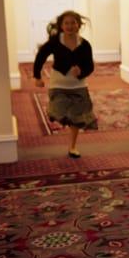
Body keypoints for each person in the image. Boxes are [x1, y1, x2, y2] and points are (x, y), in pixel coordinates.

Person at [33, 10, 97, 158]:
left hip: (78, 86)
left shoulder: (85, 44)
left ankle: (72, 147)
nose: (70, 26)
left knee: (77, 118)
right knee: (58, 112)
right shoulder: (55, 41)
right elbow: (41, 56)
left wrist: (81, 71)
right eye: (66, 23)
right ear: (61, 26)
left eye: (73, 23)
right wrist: (37, 76)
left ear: (79, 25)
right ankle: (57, 112)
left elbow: (90, 66)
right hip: (58, 85)